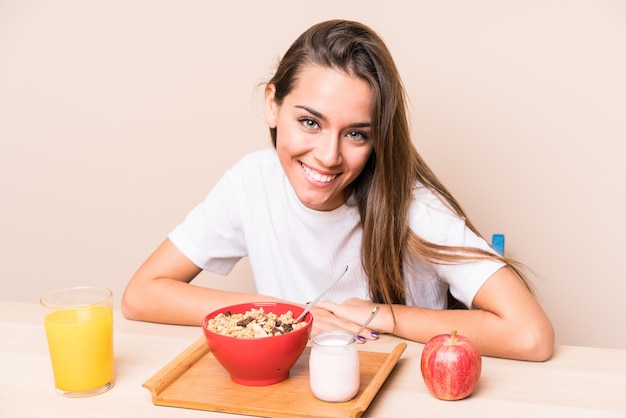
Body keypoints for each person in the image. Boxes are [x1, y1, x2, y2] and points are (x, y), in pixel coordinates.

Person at [122, 19, 554, 361]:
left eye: (356, 134)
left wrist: (380, 315)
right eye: (310, 122)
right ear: (273, 104)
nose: (328, 156)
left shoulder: (415, 207)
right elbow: (141, 295)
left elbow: (530, 335)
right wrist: (288, 314)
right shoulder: (250, 183)